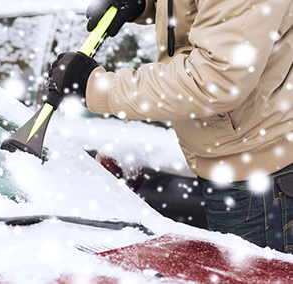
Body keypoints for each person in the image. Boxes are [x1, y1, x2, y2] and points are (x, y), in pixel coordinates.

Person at [46, 0, 293, 253]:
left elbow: (215, 80)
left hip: (259, 177)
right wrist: (145, 4)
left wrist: (96, 86)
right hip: (232, 162)